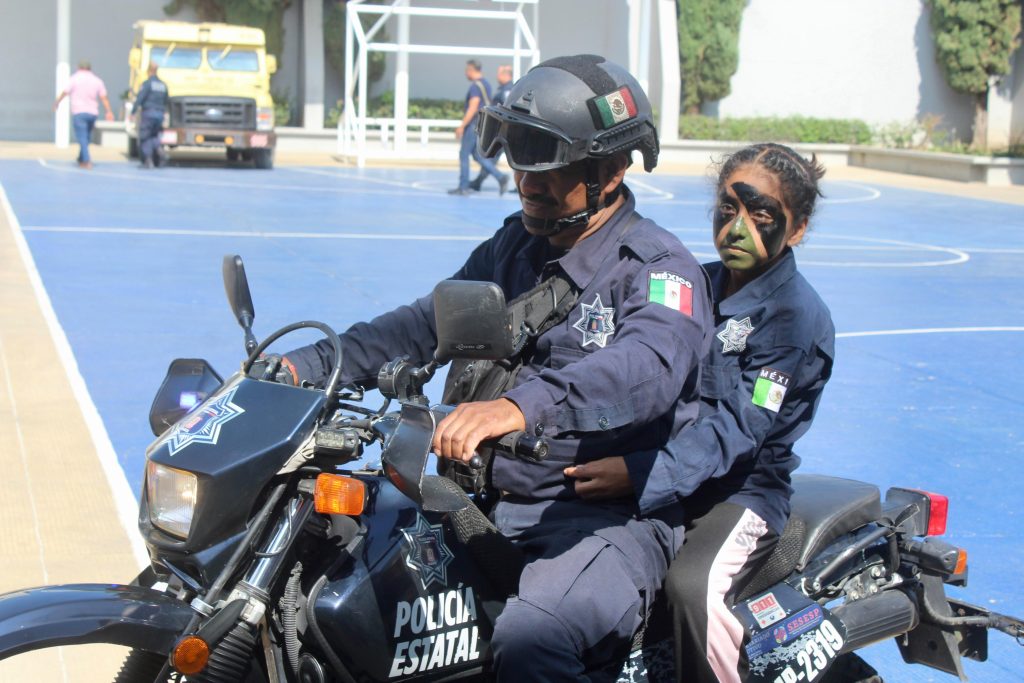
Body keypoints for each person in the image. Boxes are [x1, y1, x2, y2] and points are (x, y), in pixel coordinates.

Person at [280, 55, 713, 680]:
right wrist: (308, 364)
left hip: (596, 520)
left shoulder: (658, 270)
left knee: (532, 641)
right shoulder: (515, 247)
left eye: (547, 163)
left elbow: (645, 368)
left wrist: (516, 408)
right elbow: (423, 325)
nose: (525, 181)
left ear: (611, 170)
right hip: (476, 500)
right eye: (518, 157)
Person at [564, 142, 835, 683]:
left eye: (761, 216)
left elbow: (740, 428)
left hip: (740, 492)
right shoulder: (695, 283)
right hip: (668, 475)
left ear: (798, 229)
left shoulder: (793, 319)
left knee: (692, 590)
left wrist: (641, 473)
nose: (736, 229)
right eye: (727, 208)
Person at [448, 59, 510, 197]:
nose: (465, 73)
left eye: (466, 70)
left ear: (471, 69)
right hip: (481, 123)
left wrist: (462, 126)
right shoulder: (486, 84)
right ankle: (500, 177)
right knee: (477, 155)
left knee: (464, 154)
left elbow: (473, 107)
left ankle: (463, 186)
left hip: (473, 124)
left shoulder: (475, 86)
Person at [52, 60, 115, 169]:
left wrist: (57, 102)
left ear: (79, 67)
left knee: (82, 137)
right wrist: (108, 111)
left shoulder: (74, 79)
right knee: (86, 136)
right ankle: (81, 158)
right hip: (92, 112)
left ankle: (86, 160)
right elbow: (103, 97)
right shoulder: (97, 80)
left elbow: (65, 92)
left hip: (79, 111)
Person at [468, 65, 514, 192]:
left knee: (482, 155)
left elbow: (507, 110)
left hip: (501, 131)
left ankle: (500, 177)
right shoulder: (505, 89)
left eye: (499, 73)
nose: (496, 76)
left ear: (505, 75)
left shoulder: (507, 91)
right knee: (490, 159)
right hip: (501, 131)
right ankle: (479, 182)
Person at [134, 62, 169, 169]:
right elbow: (166, 101)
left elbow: (140, 98)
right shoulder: (163, 85)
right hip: (160, 114)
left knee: (145, 137)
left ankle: (148, 160)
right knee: (154, 135)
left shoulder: (147, 84)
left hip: (149, 113)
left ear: (149, 71)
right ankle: (161, 152)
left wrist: (133, 112)